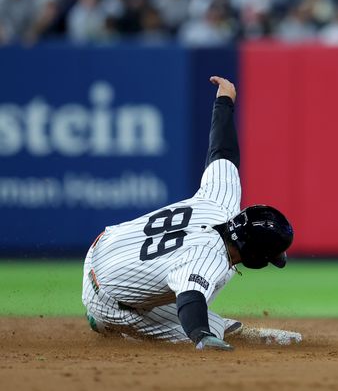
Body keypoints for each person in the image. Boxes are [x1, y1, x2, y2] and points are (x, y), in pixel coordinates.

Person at [82, 76, 301, 350]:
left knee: (198, 281)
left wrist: (225, 99)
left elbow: (222, 151)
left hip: (105, 245)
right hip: (109, 300)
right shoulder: (210, 258)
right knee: (210, 323)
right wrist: (201, 335)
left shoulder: (222, 200)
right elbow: (190, 298)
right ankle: (105, 321)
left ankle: (213, 326)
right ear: (256, 256)